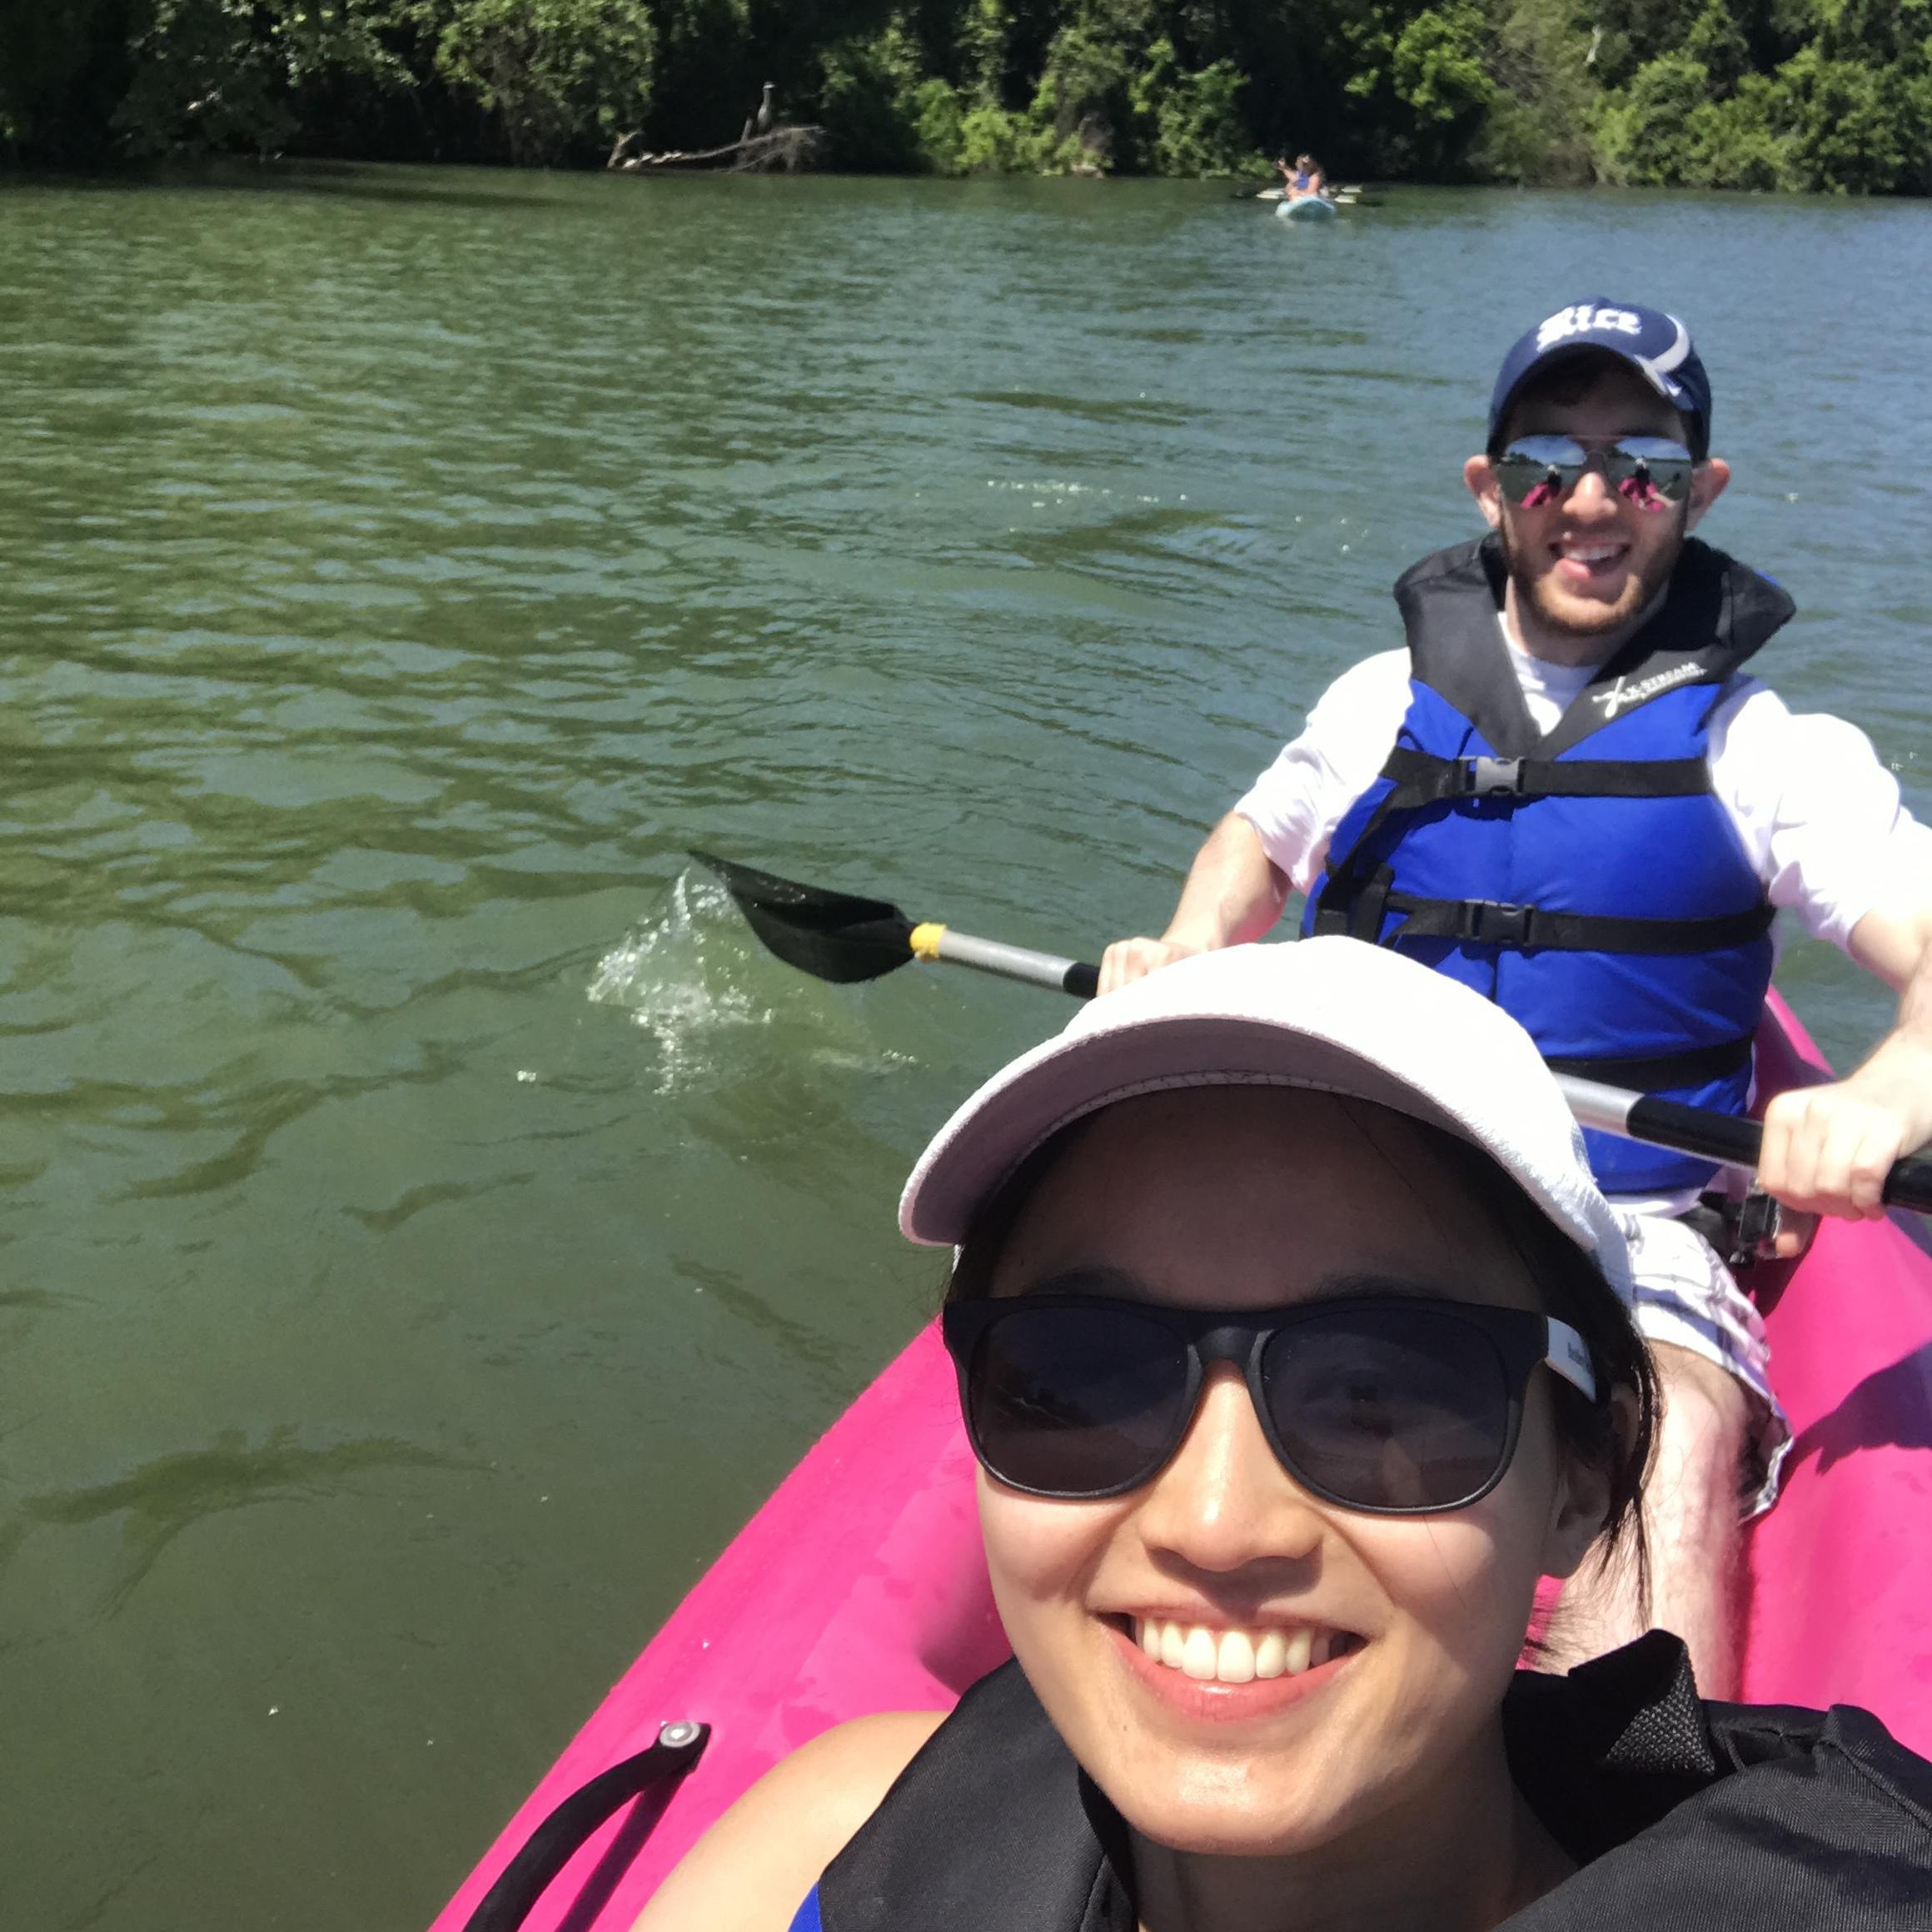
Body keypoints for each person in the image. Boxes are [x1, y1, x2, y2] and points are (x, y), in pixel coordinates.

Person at [636, 941, 1932, 1932]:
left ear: (1583, 1477)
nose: (1215, 1525)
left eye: (1383, 1396)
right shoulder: (830, 1838)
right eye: (1079, 1378)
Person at [1098, 298, 1932, 1697]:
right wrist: (1189, 944)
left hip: (1638, 1223)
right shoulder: (1377, 701)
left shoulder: (1765, 747)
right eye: (1550, 461)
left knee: (1662, 1437)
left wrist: (1882, 1096)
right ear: (1490, 489)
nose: (1593, 501)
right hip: (1382, 1173)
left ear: (1699, 495)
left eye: (1644, 467)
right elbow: (1256, 844)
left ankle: (1629, 1822)